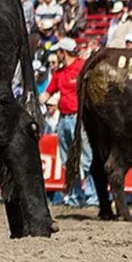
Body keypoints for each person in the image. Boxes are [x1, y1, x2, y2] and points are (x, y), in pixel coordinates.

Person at [45, 39, 91, 206]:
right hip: (64, 118)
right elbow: (47, 93)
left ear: (63, 52)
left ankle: (92, 196)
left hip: (80, 118)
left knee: (86, 157)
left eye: (59, 52)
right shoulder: (60, 73)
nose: (57, 55)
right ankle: (75, 196)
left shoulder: (83, 67)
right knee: (67, 160)